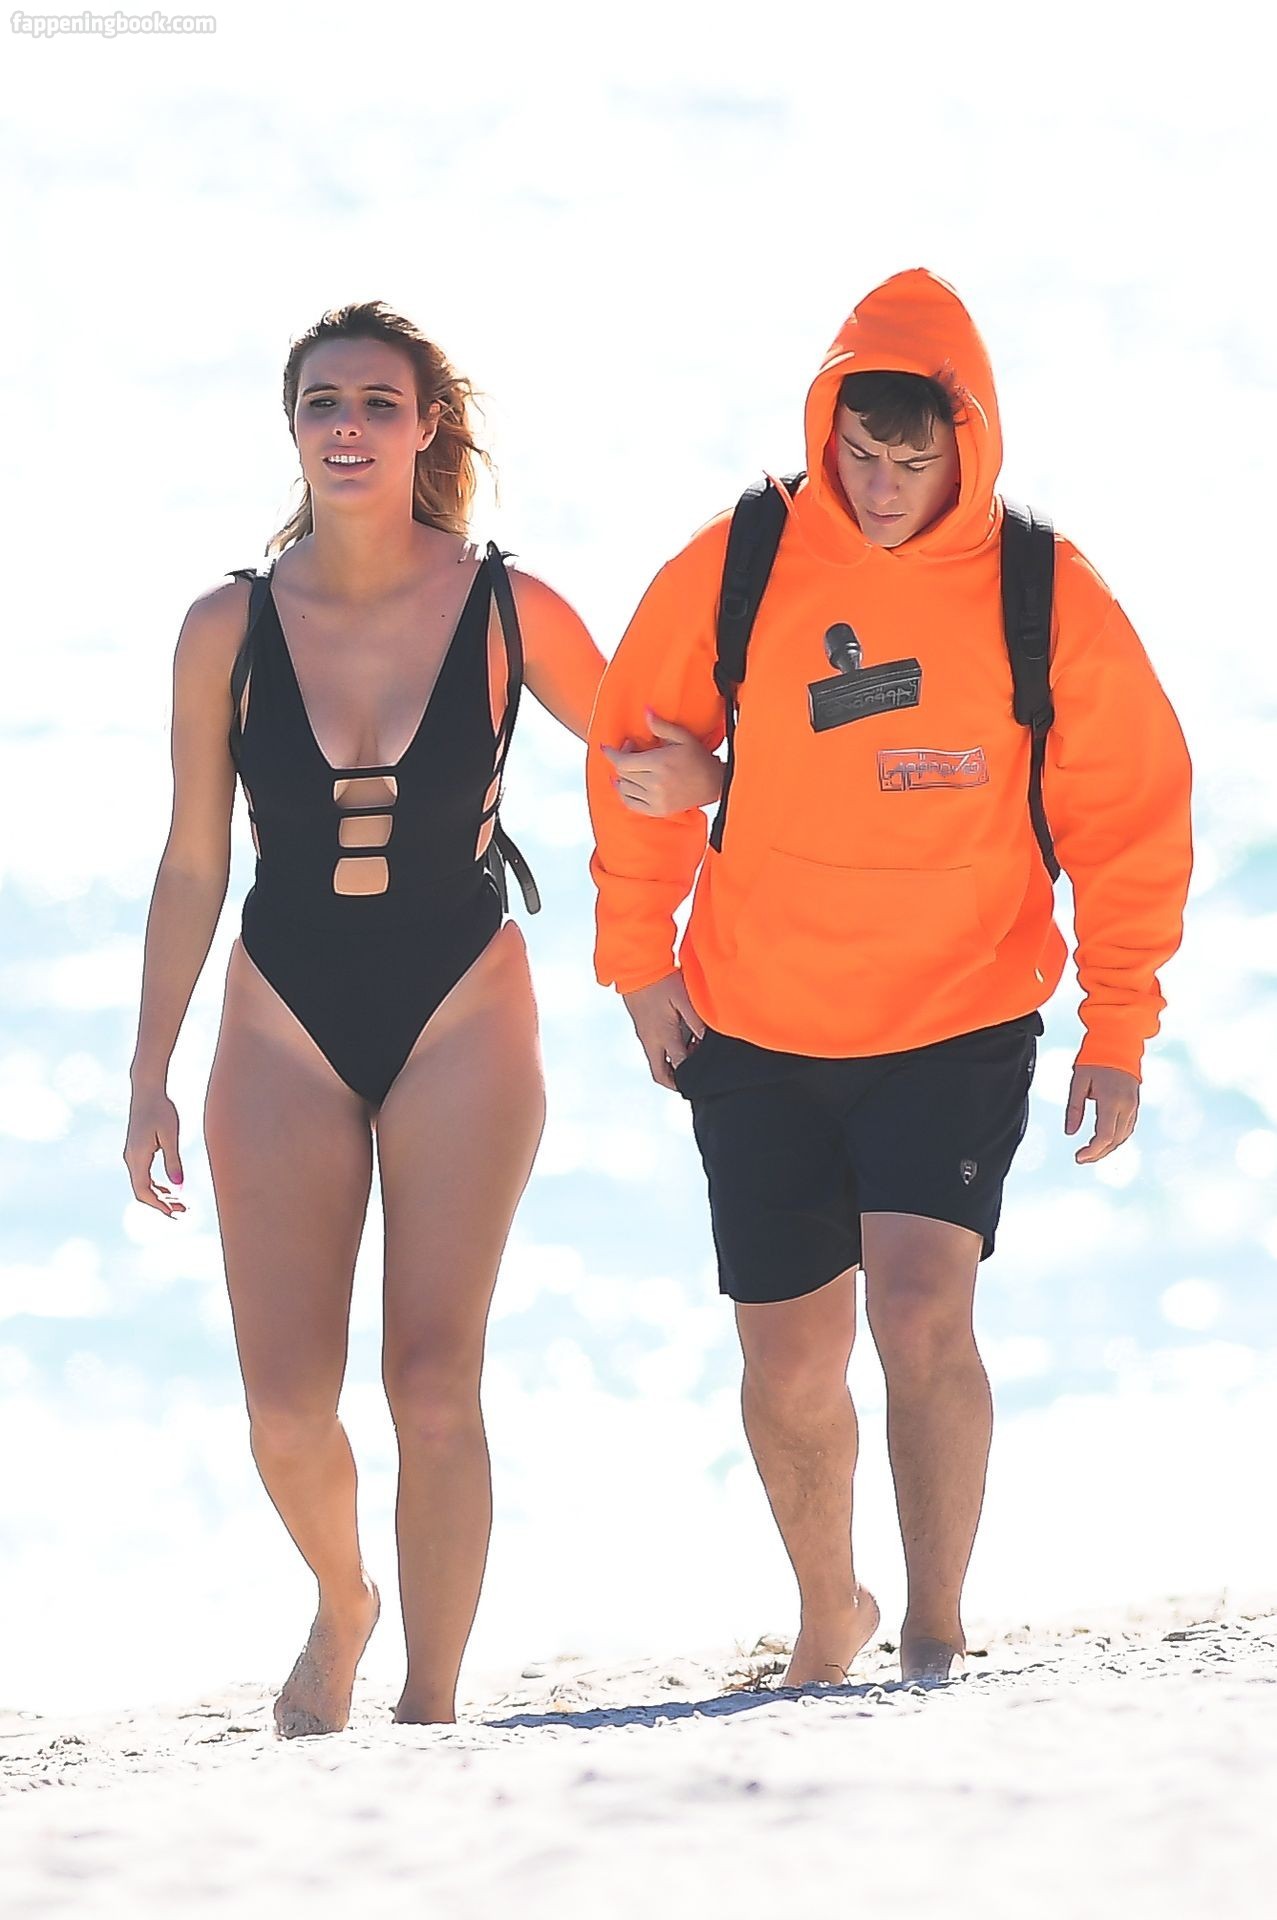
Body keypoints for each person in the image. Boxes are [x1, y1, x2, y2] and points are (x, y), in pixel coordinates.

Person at [123, 301, 723, 1735]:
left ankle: (431, 1713)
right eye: (322, 403)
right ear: (292, 429)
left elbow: (654, 755)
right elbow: (194, 860)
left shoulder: (510, 608)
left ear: (425, 428)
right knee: (285, 1406)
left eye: (378, 404)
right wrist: (148, 1074)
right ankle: (344, 1598)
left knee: (434, 1382)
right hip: (281, 1018)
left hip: (463, 1008)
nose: (348, 427)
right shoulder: (225, 629)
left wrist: (707, 797)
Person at [588, 268, 1193, 1687]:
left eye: (910, 464)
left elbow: (1130, 820)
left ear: (965, 447)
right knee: (790, 1362)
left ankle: (933, 1628)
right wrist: (636, 964)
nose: (877, 489)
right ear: (827, 429)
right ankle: (828, 1614)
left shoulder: (1044, 589)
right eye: (857, 454)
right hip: (754, 1016)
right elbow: (633, 756)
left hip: (957, 1011)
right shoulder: (740, 560)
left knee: (922, 1313)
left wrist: (1118, 1026)